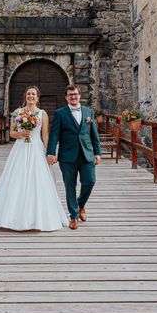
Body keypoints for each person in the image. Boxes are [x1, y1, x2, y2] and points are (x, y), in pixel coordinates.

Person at [0, 85, 69, 231]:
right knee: (17, 178)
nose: (31, 96)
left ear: (37, 97)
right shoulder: (18, 112)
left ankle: (38, 219)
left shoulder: (42, 114)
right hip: (20, 148)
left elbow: (45, 135)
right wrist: (20, 134)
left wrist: (49, 152)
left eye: (33, 94)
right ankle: (10, 217)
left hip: (36, 148)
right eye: (29, 94)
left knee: (38, 180)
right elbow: (11, 132)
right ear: (25, 96)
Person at [47, 84, 101, 230]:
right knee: (70, 186)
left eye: (75, 94)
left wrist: (97, 152)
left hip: (87, 154)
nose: (73, 97)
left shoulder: (88, 111)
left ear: (79, 95)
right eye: (70, 95)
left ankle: (81, 204)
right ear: (66, 97)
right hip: (67, 156)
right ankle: (74, 216)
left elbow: (93, 134)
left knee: (89, 181)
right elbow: (54, 135)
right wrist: (51, 152)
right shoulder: (60, 113)